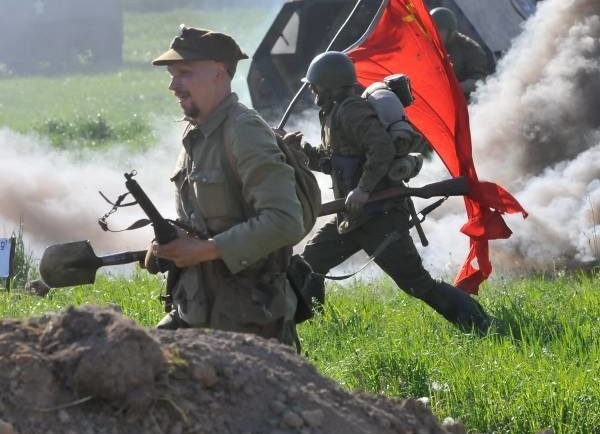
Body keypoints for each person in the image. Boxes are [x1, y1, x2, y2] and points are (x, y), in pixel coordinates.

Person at [286, 51, 492, 333]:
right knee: (311, 261)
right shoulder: (333, 113)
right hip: (354, 216)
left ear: (330, 85)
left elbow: (381, 149)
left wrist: (362, 189)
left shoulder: (352, 111)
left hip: (379, 216)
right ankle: (316, 325)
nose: (311, 89)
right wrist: (299, 152)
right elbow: (332, 161)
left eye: (315, 84)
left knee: (417, 284)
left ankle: (482, 325)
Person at [143, 25, 305, 346]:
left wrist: (204, 250)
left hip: (250, 324)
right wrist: (171, 243)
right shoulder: (197, 134)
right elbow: (207, 221)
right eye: (172, 75)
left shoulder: (244, 132)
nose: (173, 86)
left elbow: (286, 222)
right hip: (197, 311)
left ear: (219, 72)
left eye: (184, 73)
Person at [430, 7, 490, 99]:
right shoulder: (429, 46)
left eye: (438, 31)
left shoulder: (470, 49)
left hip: (464, 102)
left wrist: (451, 89)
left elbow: (478, 82)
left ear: (449, 31)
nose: (433, 34)